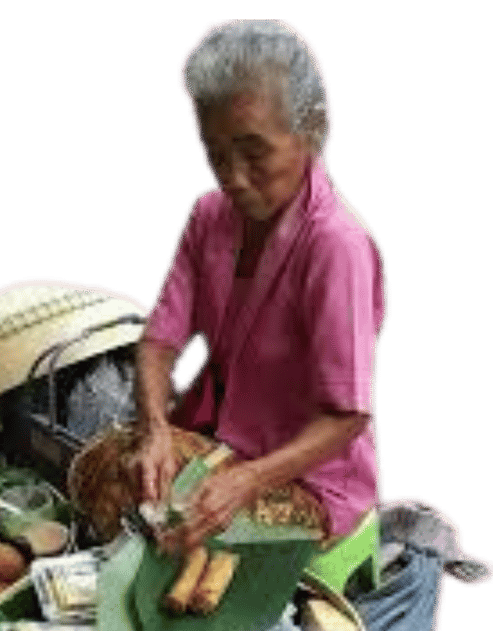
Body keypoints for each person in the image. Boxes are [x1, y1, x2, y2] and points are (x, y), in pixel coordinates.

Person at [133, 19, 389, 551]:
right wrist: (154, 426)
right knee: (120, 484)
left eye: (254, 151)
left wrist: (248, 480)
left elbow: (346, 415)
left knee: (200, 562)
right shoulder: (207, 216)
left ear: (312, 128)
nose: (233, 176)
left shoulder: (336, 243)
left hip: (308, 476)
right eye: (215, 151)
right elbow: (161, 341)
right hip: (222, 442)